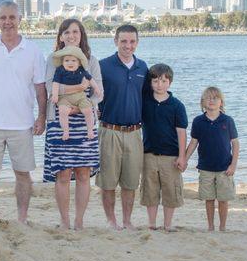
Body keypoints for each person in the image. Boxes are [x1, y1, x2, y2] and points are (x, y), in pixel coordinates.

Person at [0, 1, 47, 224]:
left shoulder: (33, 51)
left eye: (12, 17)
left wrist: (42, 116)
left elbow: (40, 88)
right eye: (3, 17)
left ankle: (22, 219)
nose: (7, 22)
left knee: (23, 174)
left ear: (20, 19)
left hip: (22, 124)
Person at [44, 18, 103, 230]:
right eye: (67, 32)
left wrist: (79, 106)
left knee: (83, 173)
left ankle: (79, 220)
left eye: (75, 32)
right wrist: (79, 87)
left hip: (84, 120)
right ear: (60, 36)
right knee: (62, 172)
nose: (71, 35)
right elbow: (51, 89)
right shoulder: (53, 60)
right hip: (60, 120)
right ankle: (64, 220)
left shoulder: (91, 60)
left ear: (81, 36)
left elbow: (99, 94)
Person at [97, 24, 148, 230]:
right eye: (124, 41)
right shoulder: (103, 65)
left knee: (130, 181)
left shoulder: (143, 67)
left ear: (137, 42)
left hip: (135, 132)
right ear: (115, 41)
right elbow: (91, 94)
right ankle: (111, 221)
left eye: (132, 41)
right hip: (109, 131)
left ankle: (127, 221)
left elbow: (146, 99)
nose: (128, 45)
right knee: (107, 181)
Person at [140, 64, 188, 231]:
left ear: (170, 82)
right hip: (149, 154)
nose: (159, 84)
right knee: (150, 190)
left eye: (163, 81)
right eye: (155, 81)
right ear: (150, 82)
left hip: (171, 156)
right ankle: (152, 224)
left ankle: (167, 224)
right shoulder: (144, 102)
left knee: (170, 191)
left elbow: (182, 133)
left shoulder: (177, 105)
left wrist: (182, 156)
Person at [185, 87, 239, 231]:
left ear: (221, 102)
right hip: (205, 167)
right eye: (208, 98)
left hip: (224, 168)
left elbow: (235, 143)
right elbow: (193, 143)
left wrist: (233, 165)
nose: (212, 100)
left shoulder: (227, 121)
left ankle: (222, 227)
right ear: (202, 102)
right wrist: (184, 159)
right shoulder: (198, 121)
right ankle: (210, 226)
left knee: (223, 199)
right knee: (208, 199)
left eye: (215, 98)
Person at [51, 45, 103, 140]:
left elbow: (90, 79)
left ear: (79, 63)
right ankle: (66, 131)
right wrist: (55, 95)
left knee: (88, 110)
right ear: (62, 62)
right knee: (63, 111)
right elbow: (55, 83)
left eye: (73, 61)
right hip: (64, 97)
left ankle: (90, 129)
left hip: (80, 96)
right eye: (67, 61)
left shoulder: (82, 70)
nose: (70, 63)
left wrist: (96, 88)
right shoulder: (60, 70)